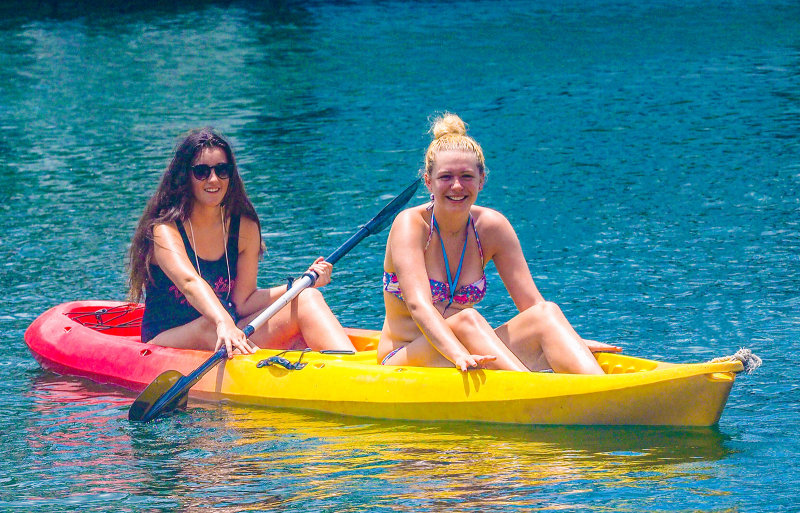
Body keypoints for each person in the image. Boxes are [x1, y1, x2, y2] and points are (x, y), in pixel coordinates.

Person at [379, 113, 620, 373]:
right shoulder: (411, 225)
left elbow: (532, 305)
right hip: (406, 356)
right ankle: (532, 394)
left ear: (482, 180)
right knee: (468, 319)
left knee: (546, 313)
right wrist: (459, 354)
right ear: (429, 181)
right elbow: (419, 305)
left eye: (467, 176)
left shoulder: (492, 227)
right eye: (446, 177)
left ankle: (603, 392)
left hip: (466, 348)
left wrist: (568, 339)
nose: (457, 186)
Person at [127, 128, 355, 356]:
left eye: (222, 170)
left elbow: (243, 302)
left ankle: (353, 372)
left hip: (228, 329)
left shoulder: (244, 227)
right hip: (168, 339)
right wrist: (223, 322)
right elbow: (189, 283)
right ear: (185, 176)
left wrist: (301, 284)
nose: (213, 179)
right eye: (201, 172)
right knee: (210, 326)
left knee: (307, 298)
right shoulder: (165, 231)